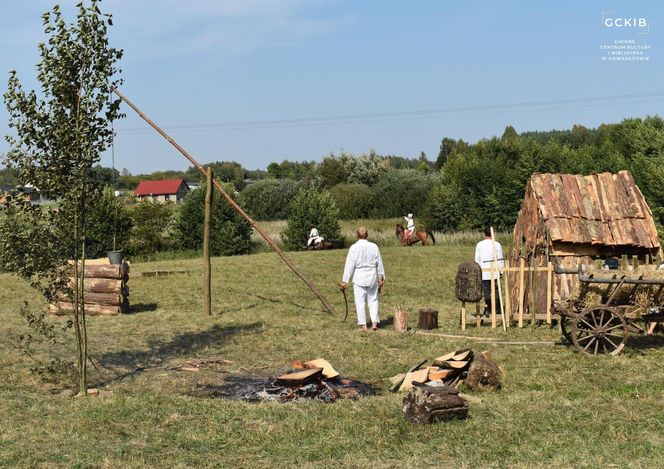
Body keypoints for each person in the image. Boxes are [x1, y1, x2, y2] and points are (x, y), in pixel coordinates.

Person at [340, 226, 385, 331]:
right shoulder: (374, 246)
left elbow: (349, 265)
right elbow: (379, 263)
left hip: (359, 278)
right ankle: (374, 324)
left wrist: (344, 281)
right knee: (373, 300)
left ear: (357, 235)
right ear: (367, 235)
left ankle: (364, 325)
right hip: (372, 277)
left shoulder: (354, 248)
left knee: (360, 302)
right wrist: (381, 277)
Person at [474, 227, 504, 316]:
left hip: (484, 273)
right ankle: (496, 309)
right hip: (494, 272)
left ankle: (489, 309)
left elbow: (477, 259)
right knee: (496, 291)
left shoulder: (479, 244)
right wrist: (501, 271)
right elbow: (500, 259)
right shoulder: (497, 244)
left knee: (486, 291)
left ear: (484, 234)